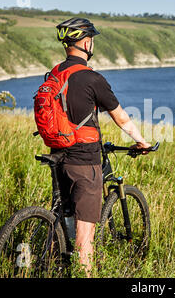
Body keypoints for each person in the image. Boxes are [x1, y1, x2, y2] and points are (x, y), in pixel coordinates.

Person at [53, 17, 151, 276]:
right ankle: (82, 269)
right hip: (84, 160)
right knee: (86, 236)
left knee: (66, 214)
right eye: (91, 40)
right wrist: (141, 141)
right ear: (86, 43)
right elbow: (120, 117)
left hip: (57, 155)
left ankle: (58, 253)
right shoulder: (92, 78)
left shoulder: (53, 74)